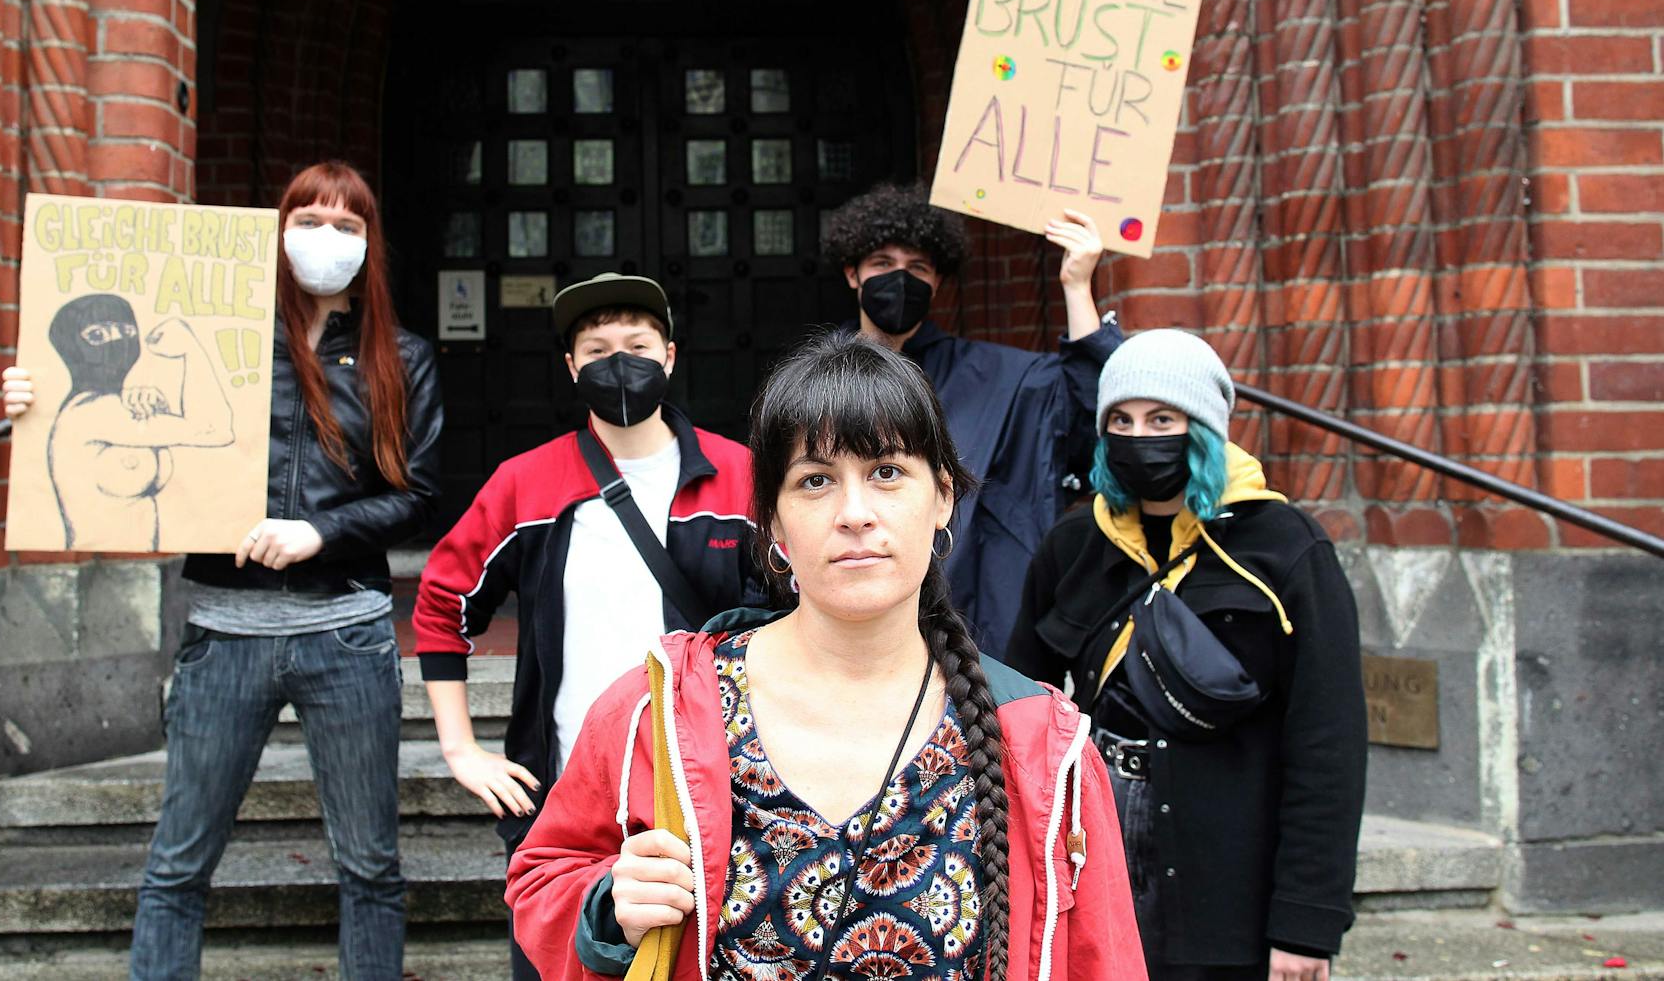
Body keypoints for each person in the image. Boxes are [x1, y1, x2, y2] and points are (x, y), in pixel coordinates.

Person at [506, 331, 1145, 981]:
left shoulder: (1042, 744)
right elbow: (541, 876)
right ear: (776, 524)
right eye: (816, 480)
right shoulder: (659, 710)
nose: (855, 513)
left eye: (888, 472)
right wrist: (609, 908)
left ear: (943, 496)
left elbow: (1105, 960)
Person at [2, 161, 443, 981]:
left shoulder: (401, 357)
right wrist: (39, 390)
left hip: (341, 633)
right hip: (223, 634)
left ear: (370, 243)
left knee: (371, 868)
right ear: (276, 230)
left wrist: (321, 531)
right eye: (308, 218)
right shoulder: (212, 334)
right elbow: (115, 401)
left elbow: (418, 495)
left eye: (348, 226)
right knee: (177, 865)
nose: (327, 238)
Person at [411, 272, 761, 981]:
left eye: (635, 344)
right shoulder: (527, 482)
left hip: (719, 796)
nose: (618, 361)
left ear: (668, 355)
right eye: (597, 349)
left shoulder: (740, 476)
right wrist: (459, 748)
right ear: (571, 368)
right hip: (570, 809)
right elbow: (443, 600)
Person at [1003, 329, 1365, 981]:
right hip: (1094, 845)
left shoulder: (1286, 548)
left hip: (1227, 868)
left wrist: (1306, 923)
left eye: (1162, 418)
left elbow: (1327, 745)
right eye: (1122, 419)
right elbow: (1018, 709)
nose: (1141, 436)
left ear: (1203, 426)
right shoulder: (1073, 541)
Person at [821, 181, 1121, 657]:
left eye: (917, 268)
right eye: (882, 264)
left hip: (977, 629)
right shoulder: (813, 386)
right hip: (850, 627)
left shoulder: (1000, 378)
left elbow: (1097, 410)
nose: (900, 279)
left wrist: (1077, 284)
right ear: (853, 274)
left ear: (937, 281)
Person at [40, 297, 234, 550]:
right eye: (97, 335)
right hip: (109, 569)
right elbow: (215, 429)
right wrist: (191, 349)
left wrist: (157, 410)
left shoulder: (111, 406)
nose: (118, 342)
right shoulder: (93, 412)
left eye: (127, 331)